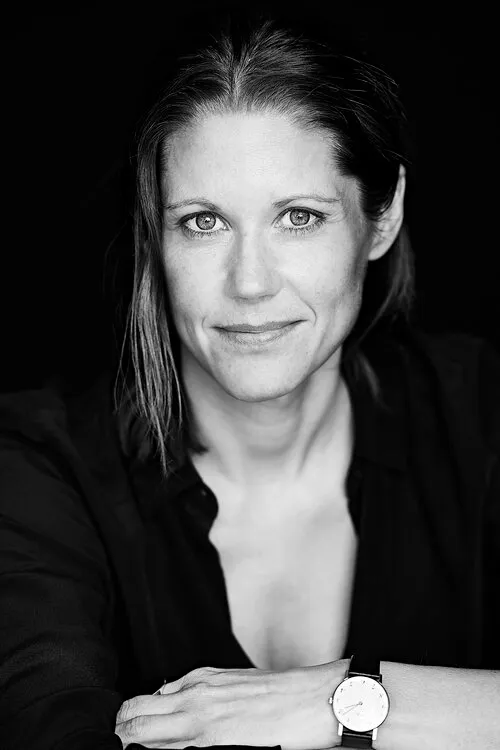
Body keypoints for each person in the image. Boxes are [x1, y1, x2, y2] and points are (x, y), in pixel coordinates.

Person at [1, 13, 499, 750]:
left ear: (382, 218)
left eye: (298, 217)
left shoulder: (482, 414)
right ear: (155, 235)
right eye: (204, 222)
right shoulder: (37, 470)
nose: (251, 283)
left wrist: (342, 700)